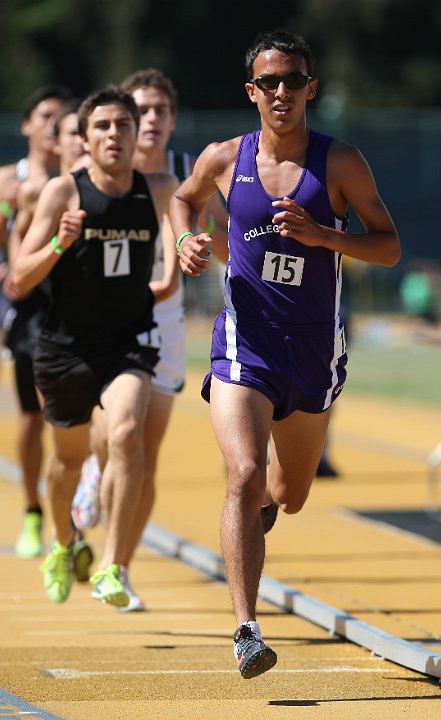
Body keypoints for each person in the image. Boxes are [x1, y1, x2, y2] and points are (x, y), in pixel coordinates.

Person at [170, 29, 401, 678]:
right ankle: (245, 628)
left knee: (288, 493)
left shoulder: (340, 164)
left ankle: (265, 507)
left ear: (311, 89)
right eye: (269, 82)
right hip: (244, 346)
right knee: (241, 472)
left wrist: (325, 235)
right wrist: (185, 242)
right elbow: (184, 200)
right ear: (251, 92)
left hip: (313, 354)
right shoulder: (224, 157)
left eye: (293, 81)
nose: (281, 92)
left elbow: (386, 247)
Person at [12, 85, 179, 606]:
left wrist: (176, 267)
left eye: (122, 125)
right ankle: (62, 544)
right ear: (84, 139)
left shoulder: (158, 188)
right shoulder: (63, 192)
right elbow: (18, 278)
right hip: (64, 349)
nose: (115, 134)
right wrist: (61, 242)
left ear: (135, 135)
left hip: (127, 342)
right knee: (64, 466)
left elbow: (189, 232)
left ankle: (111, 565)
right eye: (102, 126)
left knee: (128, 432)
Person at [71, 68, 228, 611]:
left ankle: (119, 568)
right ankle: (96, 470)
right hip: (100, 324)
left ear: (172, 119)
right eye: (144, 111)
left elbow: (231, 241)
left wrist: (214, 245)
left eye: (162, 110)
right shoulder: (92, 173)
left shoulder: (189, 174)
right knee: (113, 439)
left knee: (144, 452)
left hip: (162, 319)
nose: (153, 120)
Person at [0, 85, 74, 559]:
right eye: (45, 116)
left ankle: (72, 503)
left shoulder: (80, 174)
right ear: (27, 125)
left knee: (73, 412)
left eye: (63, 118)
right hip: (29, 308)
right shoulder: (7, 178)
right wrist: (9, 207)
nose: (54, 126)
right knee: (31, 417)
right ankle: (33, 509)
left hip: (77, 302)